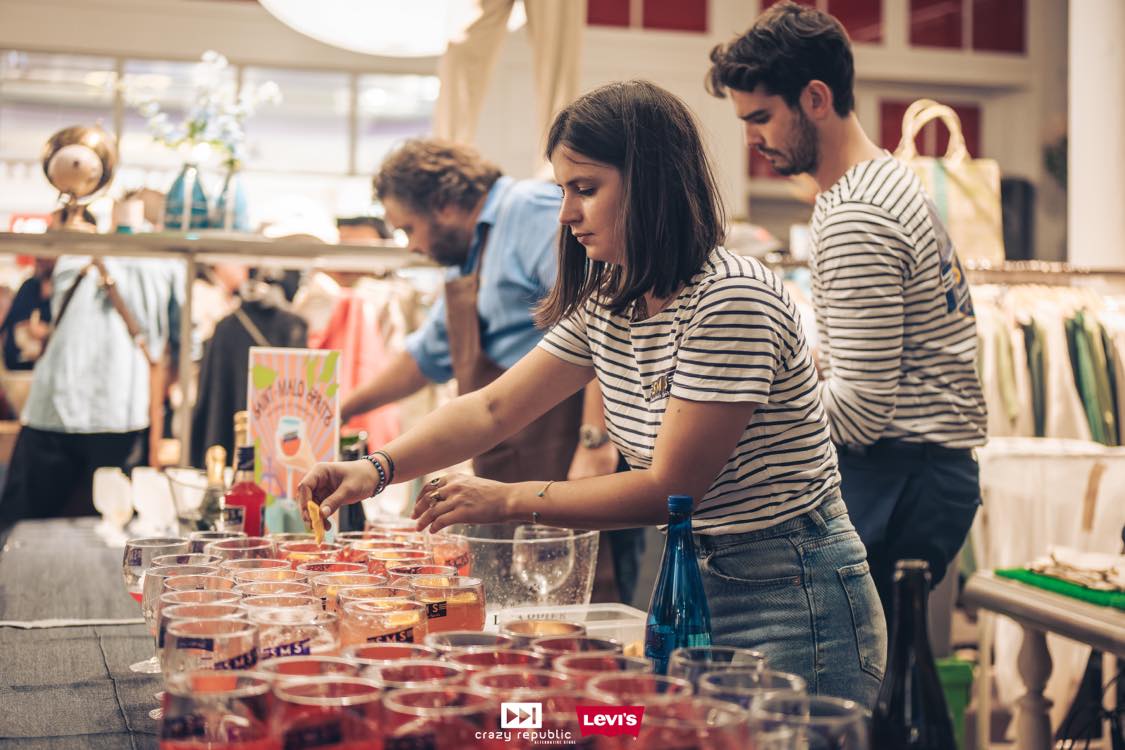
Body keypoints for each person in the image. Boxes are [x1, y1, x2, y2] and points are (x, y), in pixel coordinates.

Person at [300, 80, 887, 708]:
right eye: (563, 191)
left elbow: (671, 489)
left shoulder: (729, 300)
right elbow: (493, 408)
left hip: (791, 593)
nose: (565, 214)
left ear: (651, 183)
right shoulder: (613, 300)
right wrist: (374, 468)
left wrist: (506, 501)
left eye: (586, 189)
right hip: (694, 576)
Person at [706, 1, 988, 619]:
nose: (752, 140)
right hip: (919, 474)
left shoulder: (856, 214)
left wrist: (748, 414)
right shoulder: (884, 181)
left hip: (899, 475)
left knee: (858, 696)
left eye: (761, 118)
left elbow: (858, 413)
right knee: (883, 687)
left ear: (814, 98)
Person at [341, 138, 583, 485]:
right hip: (511, 452)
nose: (413, 246)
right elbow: (424, 357)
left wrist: (595, 442)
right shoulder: (465, 256)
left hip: (568, 452)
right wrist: (344, 408)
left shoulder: (530, 213)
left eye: (409, 228)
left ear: (444, 204)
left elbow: (598, 318)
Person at [0, 255, 183, 527]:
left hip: (59, 410)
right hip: (117, 413)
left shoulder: (73, 255)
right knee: (118, 535)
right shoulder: (164, 262)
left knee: (22, 530)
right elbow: (184, 345)